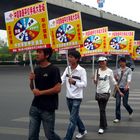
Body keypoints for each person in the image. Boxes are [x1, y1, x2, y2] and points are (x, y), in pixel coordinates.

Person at [28, 48, 62, 140]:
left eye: (39, 52)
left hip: (48, 108)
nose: (36, 54)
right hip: (35, 107)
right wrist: (31, 80)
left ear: (47, 55)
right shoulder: (36, 69)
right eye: (37, 52)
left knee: (49, 135)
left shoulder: (54, 69)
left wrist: (41, 93)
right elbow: (33, 88)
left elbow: (58, 88)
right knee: (32, 136)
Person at [61, 50, 87, 140]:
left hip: (77, 98)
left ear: (77, 59)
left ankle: (67, 138)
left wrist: (74, 82)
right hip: (68, 97)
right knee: (75, 116)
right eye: (69, 56)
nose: (69, 58)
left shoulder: (81, 70)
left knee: (72, 119)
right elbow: (62, 80)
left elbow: (84, 84)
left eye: (71, 57)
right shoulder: (67, 69)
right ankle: (82, 130)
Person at [93, 56, 122, 134]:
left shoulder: (109, 71)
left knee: (102, 109)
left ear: (106, 62)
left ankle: (101, 127)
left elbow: (114, 82)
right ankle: (104, 124)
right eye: (100, 62)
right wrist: (94, 79)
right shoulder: (97, 71)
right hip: (98, 92)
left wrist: (119, 91)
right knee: (102, 110)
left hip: (106, 92)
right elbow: (96, 83)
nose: (101, 63)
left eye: (103, 61)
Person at [113, 57, 133, 123]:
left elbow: (129, 79)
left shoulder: (129, 70)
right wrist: (115, 78)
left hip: (125, 89)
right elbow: (116, 80)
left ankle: (130, 111)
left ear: (125, 62)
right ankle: (117, 117)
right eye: (120, 62)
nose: (121, 63)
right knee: (117, 103)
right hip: (119, 88)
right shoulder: (117, 70)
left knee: (125, 103)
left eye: (123, 62)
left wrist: (127, 86)